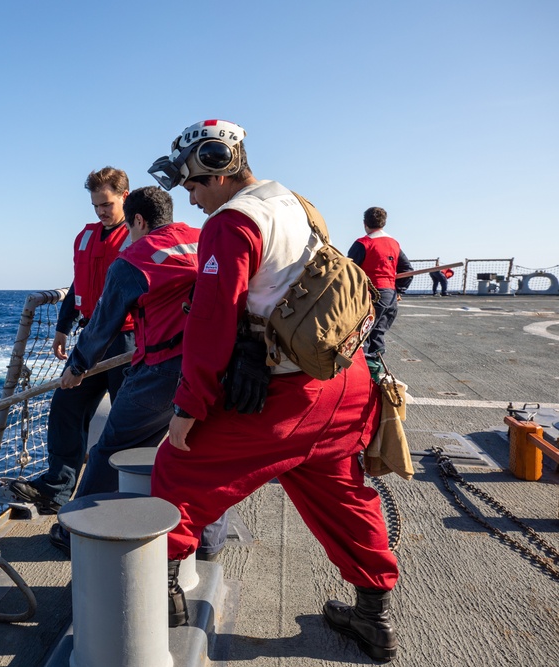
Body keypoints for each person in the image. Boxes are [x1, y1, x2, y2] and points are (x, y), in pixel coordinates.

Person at [147, 119, 400, 662]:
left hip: (290, 399)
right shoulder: (294, 202)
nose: (190, 200)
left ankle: (160, 599)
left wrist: (188, 407)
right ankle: (374, 617)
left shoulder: (231, 223)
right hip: (345, 382)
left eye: (190, 185)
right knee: (342, 497)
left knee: (177, 467)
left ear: (214, 164)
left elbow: (212, 320)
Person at [46, 185, 201, 555]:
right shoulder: (203, 240)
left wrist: (77, 366)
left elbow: (102, 323)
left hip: (163, 372)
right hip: (214, 369)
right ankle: (206, 542)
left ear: (138, 220)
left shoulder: (135, 258)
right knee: (197, 451)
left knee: (111, 448)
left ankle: (77, 533)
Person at [10, 168, 135, 514]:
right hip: (91, 337)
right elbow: (78, 284)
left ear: (125, 196)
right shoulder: (84, 237)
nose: (100, 212)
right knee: (66, 406)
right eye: (95, 206)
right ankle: (57, 488)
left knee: (126, 419)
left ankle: (123, 495)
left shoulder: (139, 238)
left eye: (106, 204)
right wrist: (63, 327)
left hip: (127, 340)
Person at [347, 207, 413, 362]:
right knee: (377, 335)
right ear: (384, 223)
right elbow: (408, 270)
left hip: (371, 297)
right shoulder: (394, 244)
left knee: (362, 337)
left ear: (365, 223)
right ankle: (378, 374)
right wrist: (398, 291)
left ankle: (366, 376)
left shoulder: (363, 243)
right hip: (389, 297)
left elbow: (348, 272)